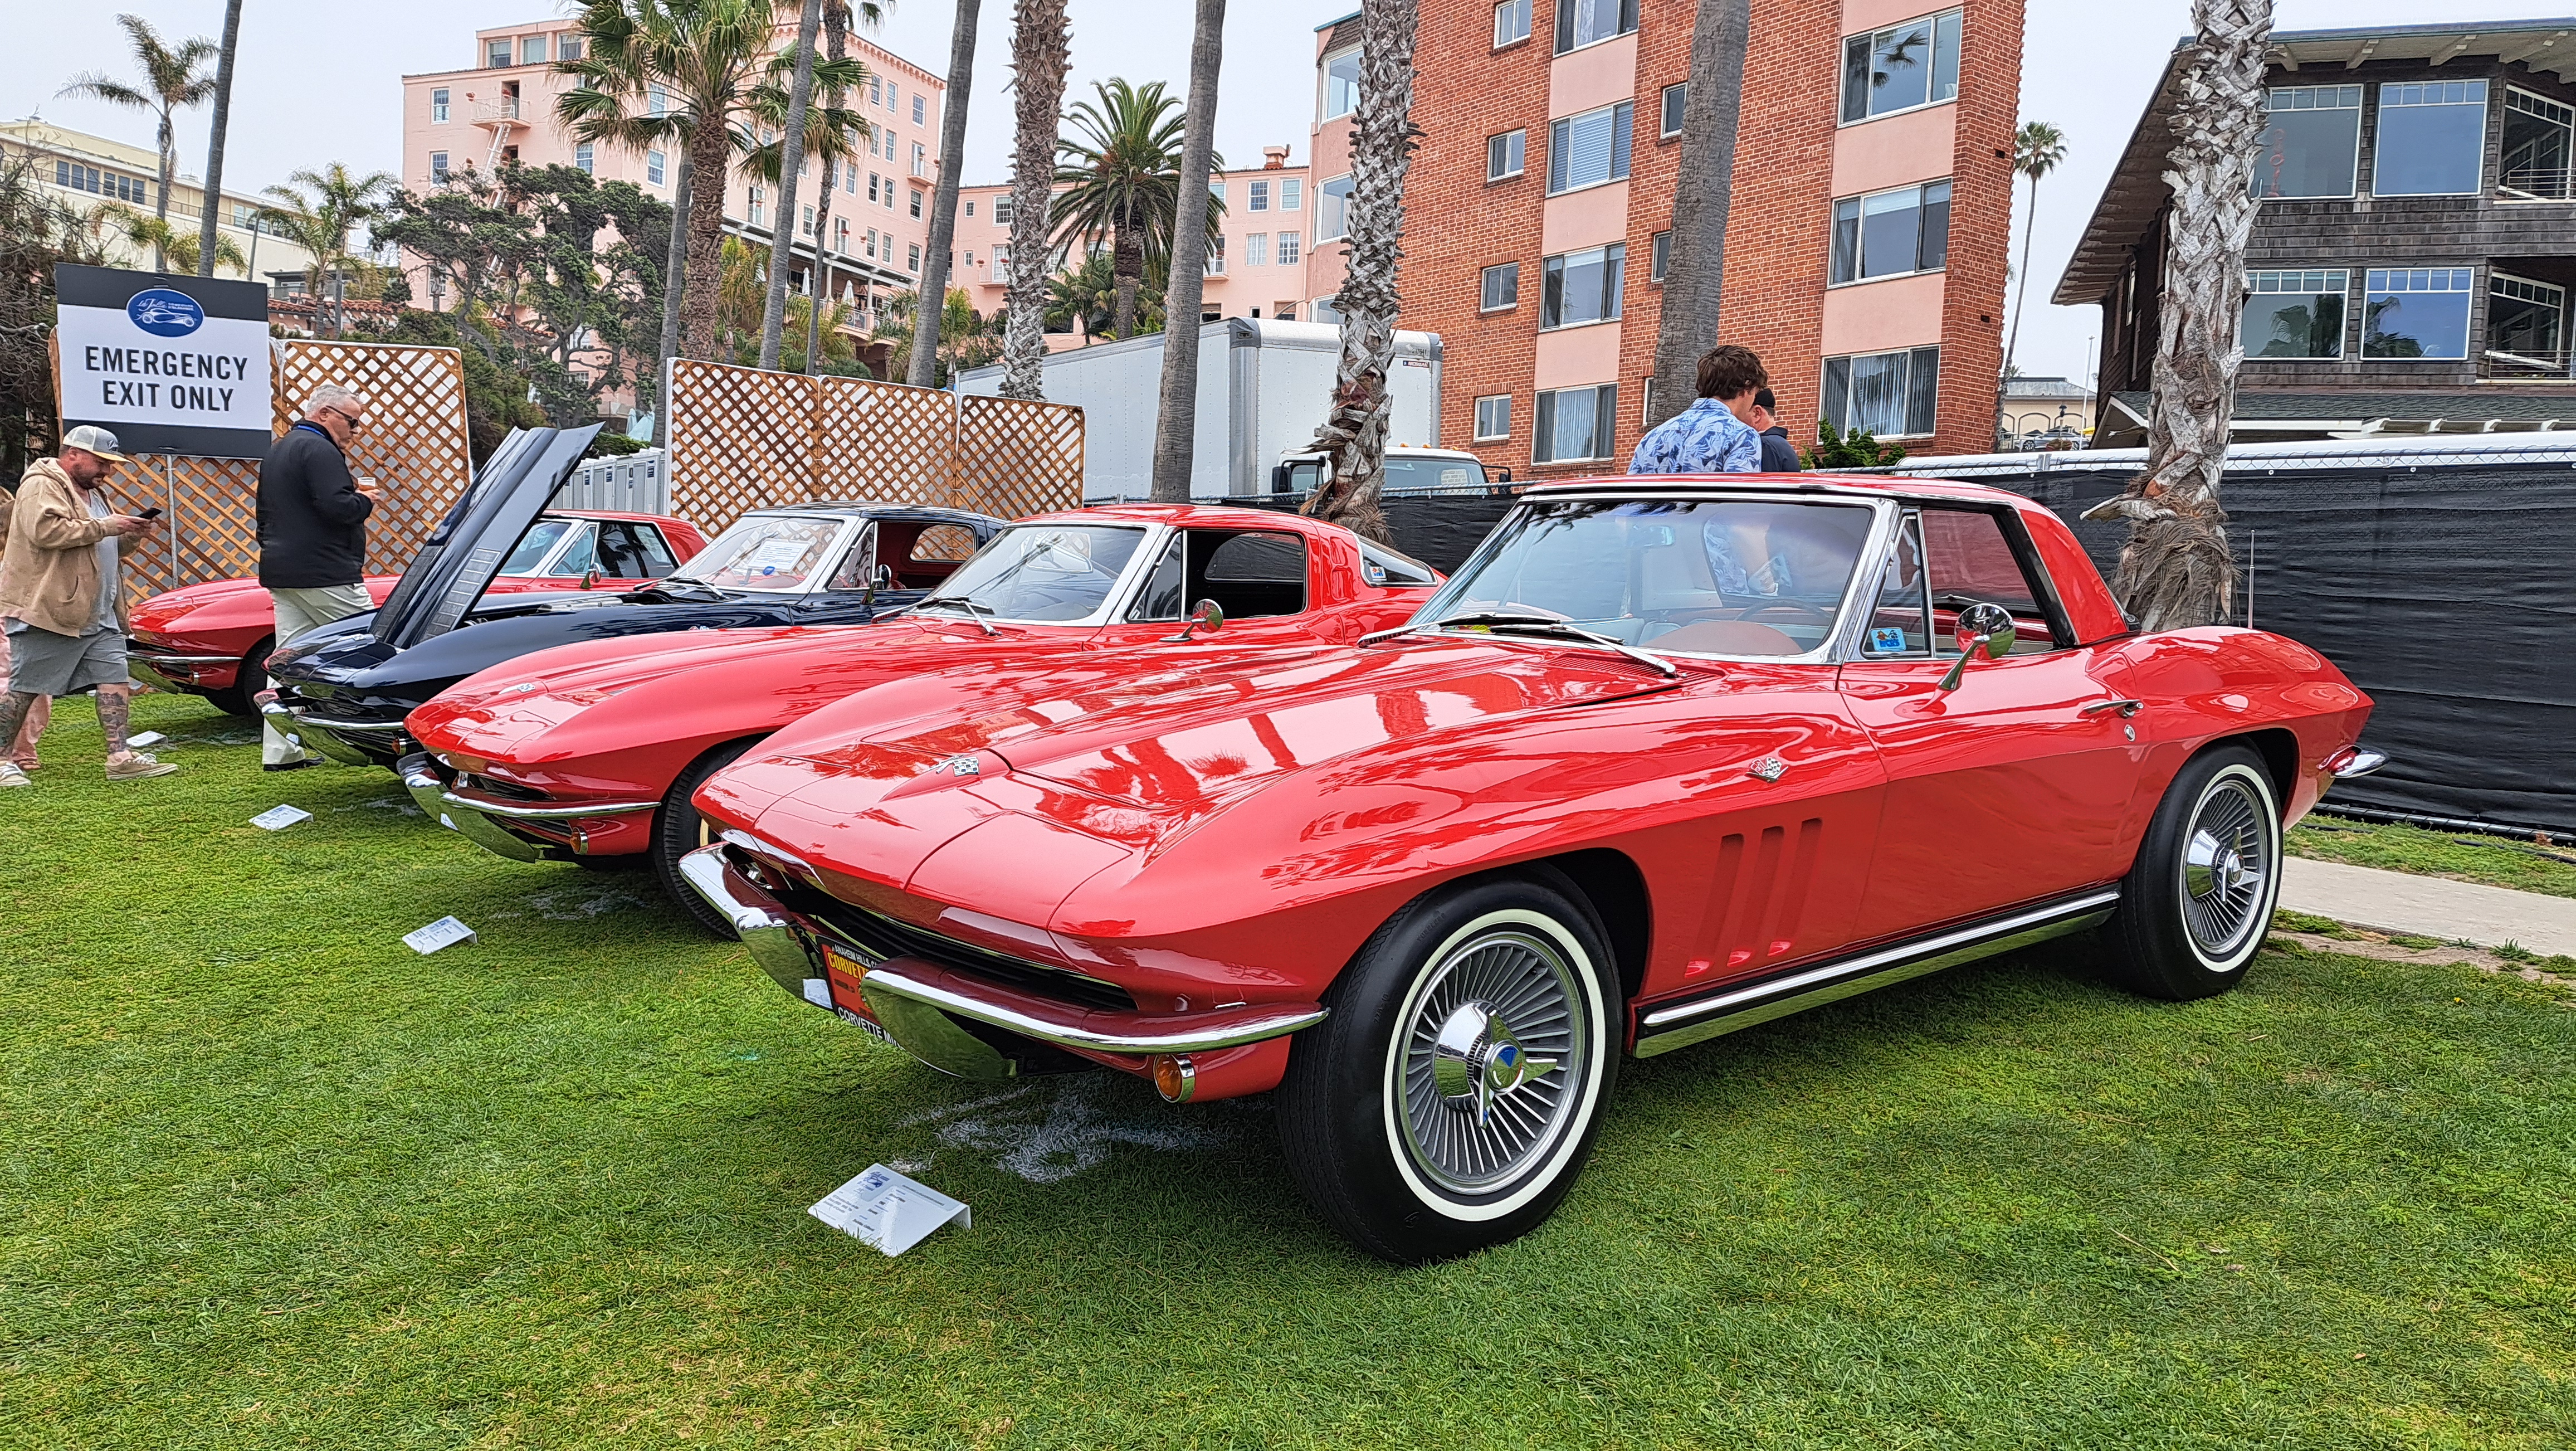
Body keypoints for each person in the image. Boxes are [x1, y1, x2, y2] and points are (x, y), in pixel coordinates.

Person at [0, 425, 174, 785]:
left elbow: (103, 544)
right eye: (101, 462)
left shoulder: (93, 493)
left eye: (110, 465)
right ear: (73, 454)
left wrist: (128, 536)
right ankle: (2, 760)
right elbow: (44, 532)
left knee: (114, 680)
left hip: (99, 611)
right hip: (50, 610)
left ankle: (120, 757)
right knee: (25, 686)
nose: (106, 471)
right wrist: (106, 526)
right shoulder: (41, 483)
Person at [257, 384, 381, 771]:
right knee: (370, 648)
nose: (355, 430)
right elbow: (337, 507)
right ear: (326, 414)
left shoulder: (280, 449)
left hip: (282, 569)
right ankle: (380, 740)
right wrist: (366, 500)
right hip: (325, 572)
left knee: (286, 659)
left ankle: (281, 751)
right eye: (352, 421)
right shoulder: (321, 449)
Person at [1630, 345, 1769, 475]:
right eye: (1755, 393)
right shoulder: (1742, 436)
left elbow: (1630, 496)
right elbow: (1739, 497)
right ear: (1746, 389)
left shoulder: (1653, 436)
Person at [0, 473, 54, 770]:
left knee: (30, 689)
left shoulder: (31, 558)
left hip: (25, 627)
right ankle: (21, 753)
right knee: (29, 689)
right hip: (19, 628)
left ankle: (21, 753)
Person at [1749, 387, 1802, 473]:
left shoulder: (1764, 445)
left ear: (1757, 413)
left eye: (1742, 411)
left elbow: (1764, 484)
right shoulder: (1780, 443)